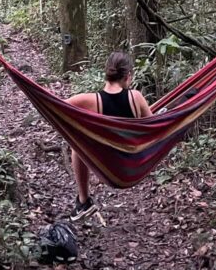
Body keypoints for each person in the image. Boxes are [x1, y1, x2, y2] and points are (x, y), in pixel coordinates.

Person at [65, 51, 152, 221]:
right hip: (130, 167)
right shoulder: (136, 97)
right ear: (128, 75)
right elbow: (153, 128)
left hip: (105, 167)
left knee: (77, 143)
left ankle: (83, 200)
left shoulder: (90, 100)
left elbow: (59, 108)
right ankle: (83, 201)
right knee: (78, 142)